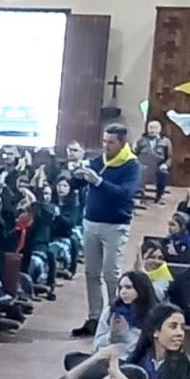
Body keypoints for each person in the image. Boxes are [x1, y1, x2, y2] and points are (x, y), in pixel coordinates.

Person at [73, 123, 140, 338]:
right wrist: (76, 175)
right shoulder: (98, 161)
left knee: (111, 273)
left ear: (122, 143)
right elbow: (77, 184)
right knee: (91, 273)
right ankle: (95, 318)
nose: (105, 146)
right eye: (104, 141)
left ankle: (116, 316)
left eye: (110, 142)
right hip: (91, 222)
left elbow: (125, 194)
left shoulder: (131, 165)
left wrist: (99, 181)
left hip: (115, 225)